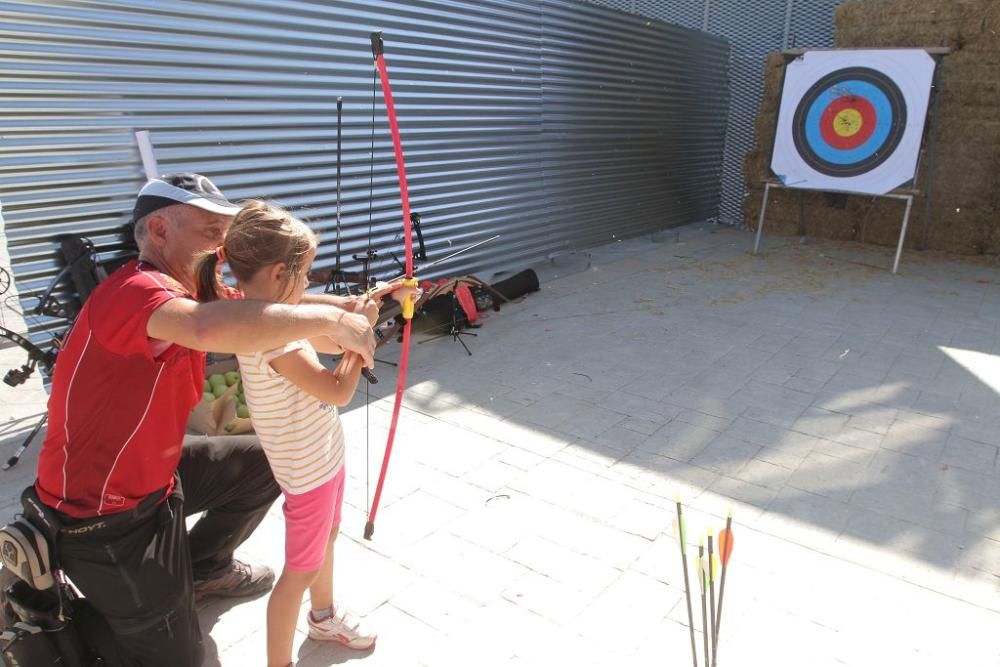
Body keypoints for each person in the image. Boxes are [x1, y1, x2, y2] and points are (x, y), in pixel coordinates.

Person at [32, 173, 379, 667]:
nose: (223, 243)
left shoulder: (187, 289)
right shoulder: (134, 290)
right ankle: (72, 615)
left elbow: (266, 310)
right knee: (179, 657)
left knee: (261, 462)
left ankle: (205, 568)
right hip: (100, 507)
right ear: (158, 229)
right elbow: (204, 325)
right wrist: (332, 324)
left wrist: (342, 305)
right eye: (210, 228)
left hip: (159, 474)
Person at [196, 200, 402, 667]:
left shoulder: (264, 320)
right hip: (308, 476)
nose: (308, 285)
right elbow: (336, 391)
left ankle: (324, 617)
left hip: (321, 460)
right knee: (298, 573)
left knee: (327, 539)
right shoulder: (276, 337)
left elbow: (324, 337)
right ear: (275, 274)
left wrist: (355, 316)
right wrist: (358, 343)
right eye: (305, 274)